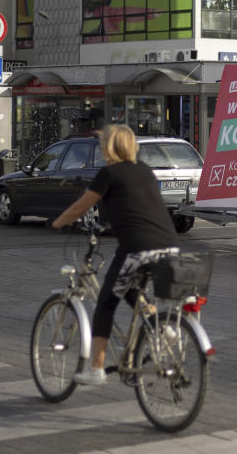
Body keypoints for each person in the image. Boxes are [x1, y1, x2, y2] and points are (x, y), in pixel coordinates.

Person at [51, 124, 179, 385]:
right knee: (131, 290)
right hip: (168, 245)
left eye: (102, 144)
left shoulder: (109, 174)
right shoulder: (144, 170)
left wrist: (58, 222)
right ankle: (161, 327)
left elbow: (81, 206)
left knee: (106, 303)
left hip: (137, 247)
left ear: (109, 147)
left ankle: (96, 369)